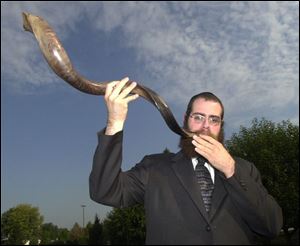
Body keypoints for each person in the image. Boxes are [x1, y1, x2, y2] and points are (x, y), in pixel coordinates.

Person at [89, 77, 283, 245]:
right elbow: (104, 191)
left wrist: (230, 169)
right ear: (186, 119)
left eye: (214, 120)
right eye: (198, 117)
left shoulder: (244, 169)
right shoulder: (154, 168)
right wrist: (115, 122)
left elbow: (271, 226)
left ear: (220, 126)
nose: (205, 126)